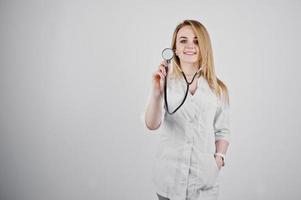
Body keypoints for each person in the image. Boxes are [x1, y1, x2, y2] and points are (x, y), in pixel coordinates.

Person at [143, 19, 231, 200]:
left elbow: (222, 131)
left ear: (204, 46)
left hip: (204, 180)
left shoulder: (218, 89)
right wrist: (156, 92)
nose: (190, 46)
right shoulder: (164, 82)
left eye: (197, 41)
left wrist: (218, 159)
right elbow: (152, 124)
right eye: (183, 40)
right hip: (169, 178)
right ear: (174, 48)